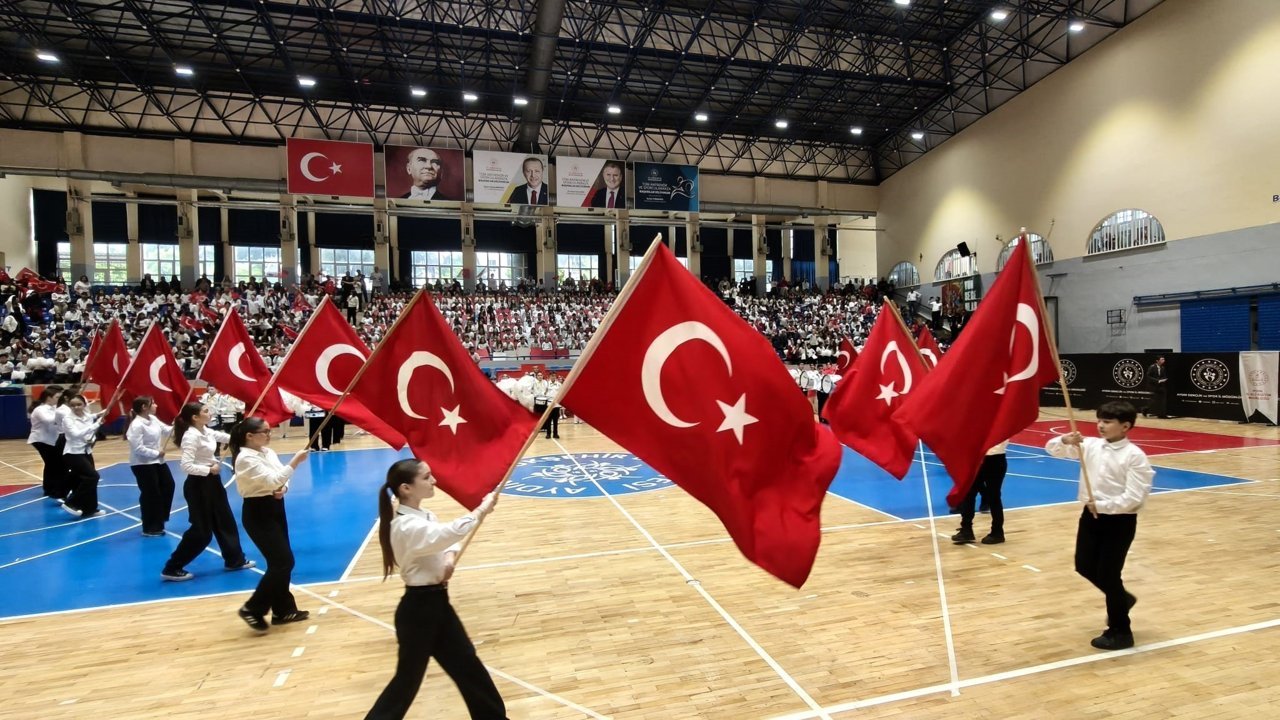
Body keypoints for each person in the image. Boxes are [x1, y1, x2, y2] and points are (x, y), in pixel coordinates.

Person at [364, 459, 504, 720]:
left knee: (468, 667)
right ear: (406, 488)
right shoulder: (406, 526)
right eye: (427, 477)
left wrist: (448, 560)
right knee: (407, 681)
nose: (434, 481)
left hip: (438, 603)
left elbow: (444, 544)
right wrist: (482, 509)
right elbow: (447, 534)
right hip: (419, 610)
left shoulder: (425, 516)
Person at [1046, 401, 1154, 651]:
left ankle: (1121, 630)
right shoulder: (1091, 445)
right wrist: (1064, 440)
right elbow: (1053, 450)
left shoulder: (1135, 456)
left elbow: (1135, 497)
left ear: (1125, 426)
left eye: (1107, 422)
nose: (1101, 425)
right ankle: (1122, 598)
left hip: (1119, 521)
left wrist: (1103, 505)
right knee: (1083, 565)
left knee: (1108, 574)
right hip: (1090, 516)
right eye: (1100, 420)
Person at [230, 417, 310, 632]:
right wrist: (295, 462)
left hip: (275, 507)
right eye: (264, 431)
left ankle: (282, 610)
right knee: (283, 562)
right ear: (249, 436)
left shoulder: (268, 452)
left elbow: (280, 478)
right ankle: (252, 608)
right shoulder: (245, 458)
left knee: (281, 562)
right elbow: (275, 479)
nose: (269, 434)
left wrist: (284, 488)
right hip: (258, 512)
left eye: (269, 430)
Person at [161, 402, 256, 581]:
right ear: (195, 417)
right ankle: (172, 568)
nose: (209, 413)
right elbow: (186, 466)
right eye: (205, 411)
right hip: (198, 486)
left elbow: (226, 437)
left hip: (213, 483)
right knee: (202, 531)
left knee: (225, 521)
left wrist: (244, 434)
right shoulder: (191, 436)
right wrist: (208, 469)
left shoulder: (206, 431)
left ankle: (234, 560)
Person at [124, 396, 176, 537]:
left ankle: (160, 516)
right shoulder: (136, 425)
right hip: (142, 464)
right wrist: (156, 453)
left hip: (158, 462)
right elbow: (137, 448)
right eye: (153, 403)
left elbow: (167, 430)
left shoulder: (153, 419)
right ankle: (150, 527)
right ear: (144, 407)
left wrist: (177, 424)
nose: (156, 405)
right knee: (151, 494)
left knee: (168, 485)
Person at [951, 440, 1009, 545]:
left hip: (993, 459)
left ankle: (997, 532)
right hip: (983, 458)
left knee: (993, 496)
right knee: (970, 493)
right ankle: (967, 529)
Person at [60, 393, 105, 519]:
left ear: (84, 405)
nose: (76, 407)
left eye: (79, 404)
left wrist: (104, 412)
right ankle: (71, 502)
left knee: (84, 480)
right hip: (73, 453)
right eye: (73, 405)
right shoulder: (68, 419)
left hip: (86, 452)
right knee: (93, 476)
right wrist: (96, 425)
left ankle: (89, 509)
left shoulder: (87, 416)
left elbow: (95, 416)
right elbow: (75, 434)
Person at [27, 385, 68, 501]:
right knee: (52, 463)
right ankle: (51, 489)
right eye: (57, 397)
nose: (58, 400)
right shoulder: (40, 409)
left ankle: (52, 488)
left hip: (50, 440)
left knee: (53, 463)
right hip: (41, 440)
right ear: (49, 397)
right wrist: (60, 414)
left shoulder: (55, 408)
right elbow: (48, 420)